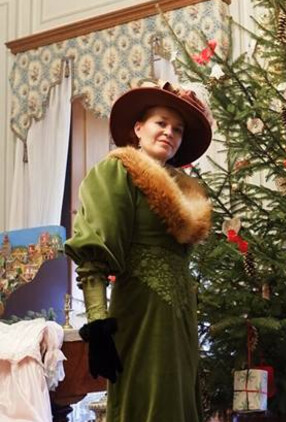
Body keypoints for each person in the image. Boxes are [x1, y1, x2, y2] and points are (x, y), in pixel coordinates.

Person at [64, 81, 213, 422]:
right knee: (145, 399)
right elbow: (94, 254)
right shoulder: (117, 171)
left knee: (179, 400)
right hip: (139, 311)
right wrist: (98, 325)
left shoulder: (187, 190)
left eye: (177, 129)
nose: (169, 132)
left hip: (181, 316)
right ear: (138, 128)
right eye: (161, 122)